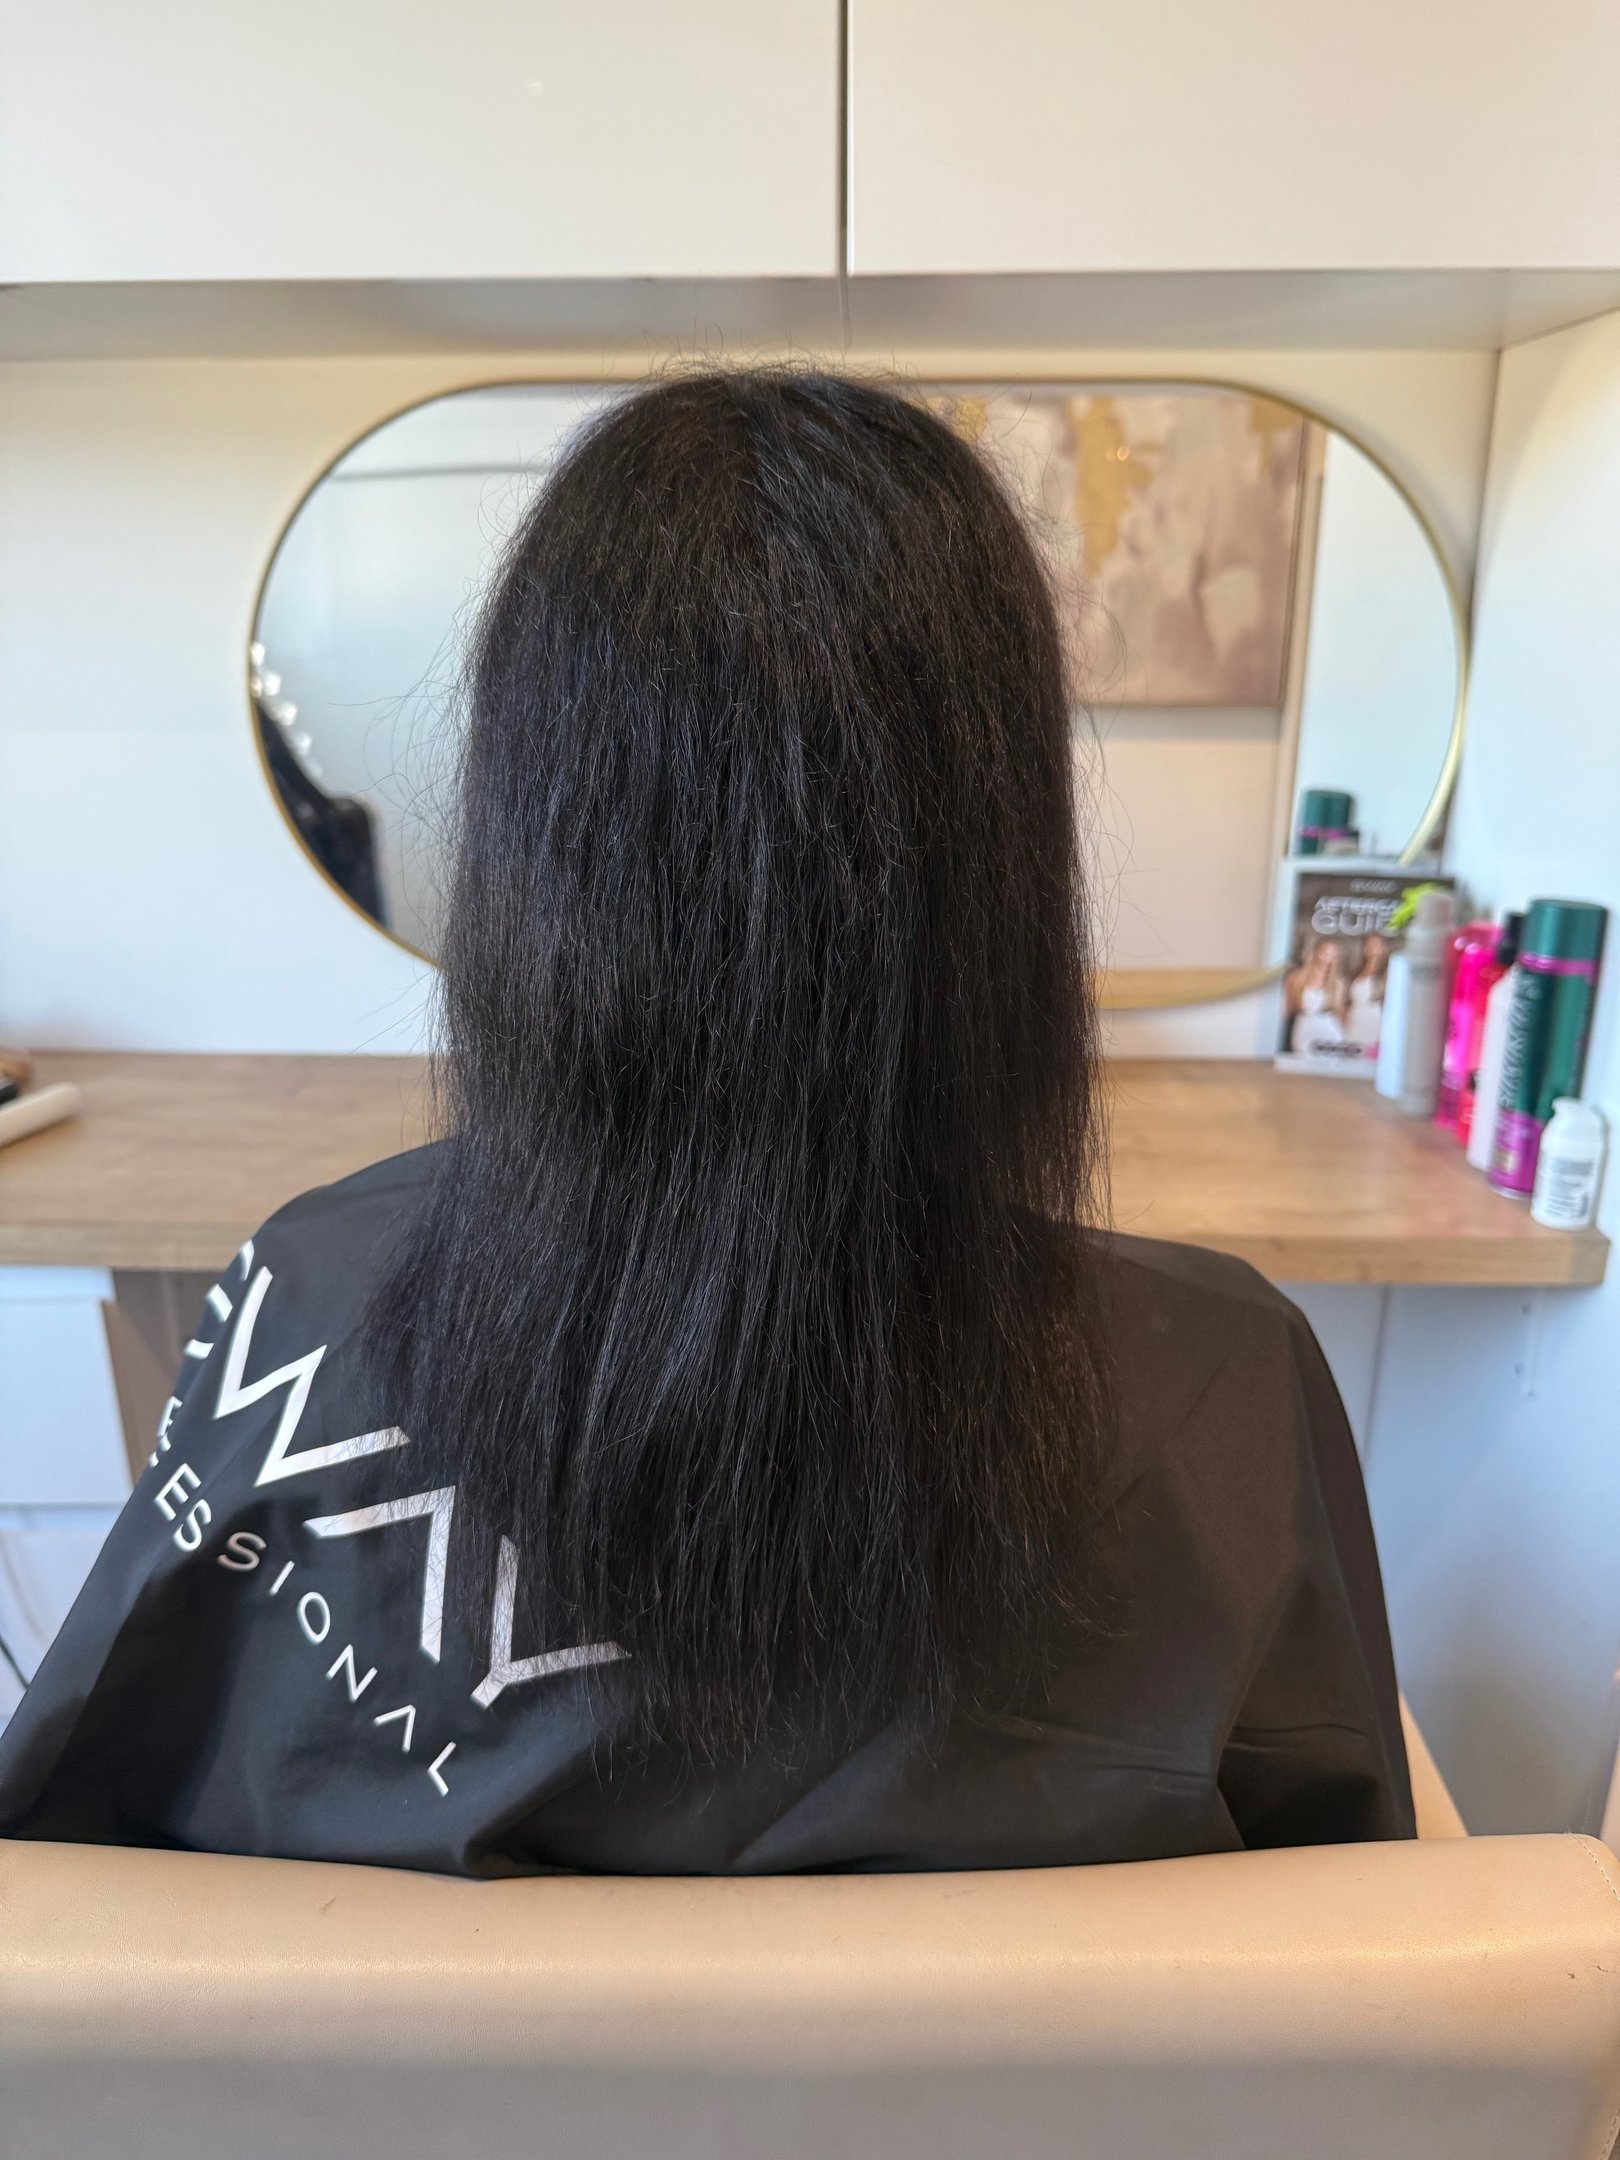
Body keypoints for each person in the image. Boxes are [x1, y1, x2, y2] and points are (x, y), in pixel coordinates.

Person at [0, 371, 1411, 1874]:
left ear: (534, 827)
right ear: (1004, 855)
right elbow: (1360, 1931)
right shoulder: (1229, 1394)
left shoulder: (303, 1309)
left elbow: (83, 1877)